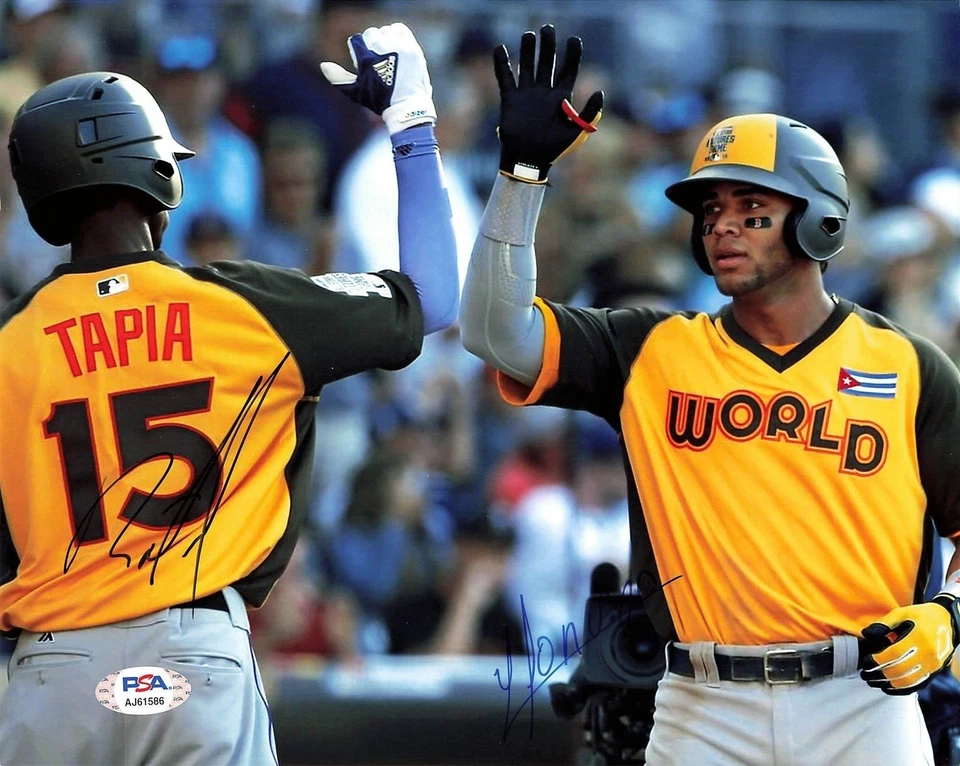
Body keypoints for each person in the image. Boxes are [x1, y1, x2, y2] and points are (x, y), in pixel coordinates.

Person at [458, 25, 960, 765]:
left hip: (864, 703)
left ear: (819, 219)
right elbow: (495, 333)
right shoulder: (650, 348)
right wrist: (521, 178)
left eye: (750, 207)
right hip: (702, 703)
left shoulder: (911, 366)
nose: (723, 225)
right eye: (711, 210)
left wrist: (948, 617)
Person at [0, 22, 458, 766]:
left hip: (50, 674)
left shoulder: (10, 343)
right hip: (195, 655)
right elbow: (435, 299)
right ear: (159, 179)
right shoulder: (242, 306)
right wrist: (409, 126)